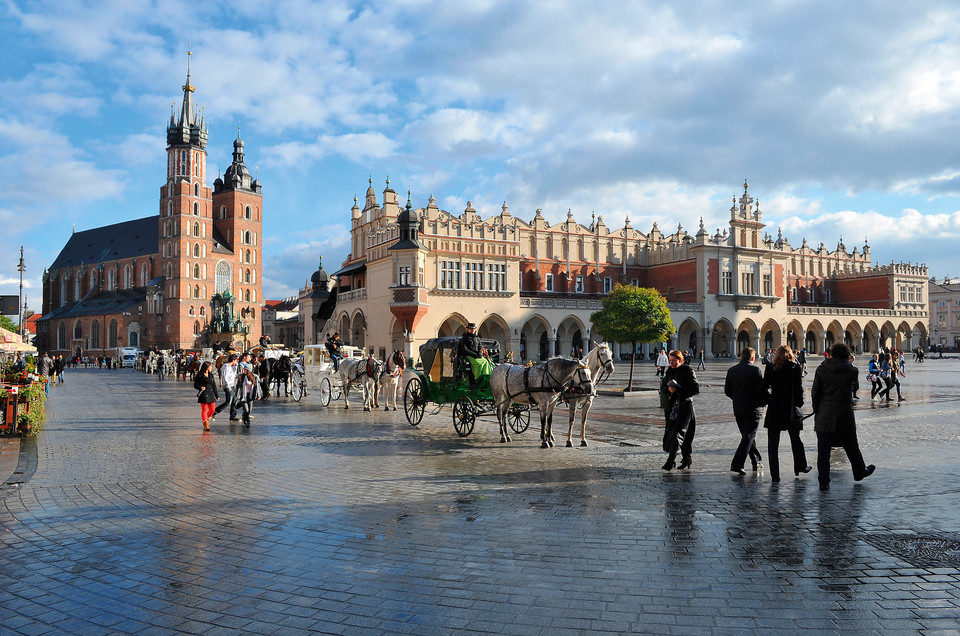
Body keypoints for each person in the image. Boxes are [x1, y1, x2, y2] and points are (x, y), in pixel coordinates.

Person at [812, 343, 875, 491]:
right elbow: (855, 388)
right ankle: (859, 472)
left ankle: (823, 481)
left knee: (823, 449)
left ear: (831, 354)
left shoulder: (821, 369)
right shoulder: (852, 371)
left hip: (825, 413)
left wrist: (817, 410)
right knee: (851, 445)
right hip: (844, 412)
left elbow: (815, 393)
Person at [763, 345, 812, 482]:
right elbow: (798, 390)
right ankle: (800, 466)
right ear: (790, 354)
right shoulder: (795, 368)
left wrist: (770, 399)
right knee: (795, 439)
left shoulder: (770, 368)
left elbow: (764, 387)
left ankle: (775, 475)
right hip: (790, 408)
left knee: (773, 443)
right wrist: (799, 404)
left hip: (774, 409)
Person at [724, 347, 766, 474]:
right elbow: (761, 391)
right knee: (748, 436)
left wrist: (737, 399)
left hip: (738, 408)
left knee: (747, 436)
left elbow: (727, 391)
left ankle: (756, 460)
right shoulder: (755, 370)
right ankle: (737, 464)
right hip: (753, 409)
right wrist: (766, 402)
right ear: (752, 358)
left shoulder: (732, 370)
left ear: (741, 356)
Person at [660, 350, 699, 470]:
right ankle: (687, 458)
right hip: (673, 408)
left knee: (679, 433)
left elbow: (695, 388)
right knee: (675, 433)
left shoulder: (687, 371)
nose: (671, 363)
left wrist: (679, 389)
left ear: (680, 360)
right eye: (670, 361)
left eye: (674, 361)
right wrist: (669, 389)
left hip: (685, 406)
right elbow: (663, 388)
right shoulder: (669, 372)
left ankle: (670, 461)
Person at [457, 323, 491, 388]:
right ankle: (479, 378)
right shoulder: (464, 339)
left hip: (477, 355)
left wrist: (480, 354)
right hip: (469, 356)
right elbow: (464, 350)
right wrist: (474, 355)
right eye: (471, 329)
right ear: (467, 329)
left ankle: (486, 378)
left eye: (473, 329)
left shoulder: (477, 338)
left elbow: (480, 346)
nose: (472, 330)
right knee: (479, 364)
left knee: (486, 362)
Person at [193, 361, 219, 431]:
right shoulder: (199, 375)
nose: (211, 368)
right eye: (210, 366)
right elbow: (195, 385)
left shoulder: (211, 375)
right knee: (204, 409)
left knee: (213, 409)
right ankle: (205, 424)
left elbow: (214, 386)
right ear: (207, 367)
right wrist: (200, 387)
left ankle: (206, 418)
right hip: (204, 394)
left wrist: (217, 395)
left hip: (211, 394)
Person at [215, 353, 240, 421]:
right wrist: (228, 387)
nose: (237, 362)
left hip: (232, 385)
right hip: (228, 386)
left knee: (234, 401)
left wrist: (236, 367)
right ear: (233, 360)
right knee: (228, 402)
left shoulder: (232, 367)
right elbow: (225, 377)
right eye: (236, 360)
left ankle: (233, 416)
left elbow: (234, 376)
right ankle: (214, 412)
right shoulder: (226, 366)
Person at [237, 351, 257, 426]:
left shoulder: (253, 377)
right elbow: (238, 383)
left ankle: (245, 417)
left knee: (250, 409)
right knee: (246, 409)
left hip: (250, 395)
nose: (244, 370)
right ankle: (247, 421)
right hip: (243, 394)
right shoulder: (242, 375)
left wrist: (258, 395)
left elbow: (256, 387)